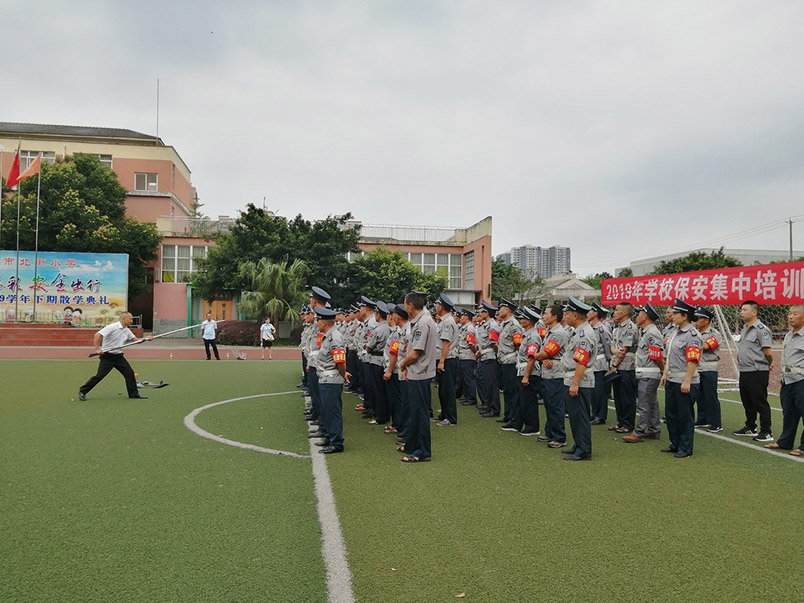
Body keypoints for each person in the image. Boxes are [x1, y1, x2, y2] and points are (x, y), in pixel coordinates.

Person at [397, 291, 437, 463]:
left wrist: (402, 364)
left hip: (420, 373)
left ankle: (422, 451)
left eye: (405, 304)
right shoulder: (418, 321)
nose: (405, 307)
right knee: (413, 412)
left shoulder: (423, 323)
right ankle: (412, 444)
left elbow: (415, 354)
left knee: (420, 414)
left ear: (410, 306)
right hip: (416, 373)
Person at [660, 298, 702, 458]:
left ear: (684, 316)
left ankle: (685, 447)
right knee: (671, 414)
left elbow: (693, 360)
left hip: (685, 382)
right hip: (672, 380)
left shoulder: (692, 335)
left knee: (685, 416)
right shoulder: (674, 332)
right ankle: (675, 443)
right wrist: (665, 373)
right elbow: (670, 357)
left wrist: (687, 380)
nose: (672, 315)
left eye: (675, 313)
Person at [78, 312, 152, 400]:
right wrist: (98, 349)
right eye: (130, 319)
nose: (131, 321)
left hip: (119, 356)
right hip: (108, 356)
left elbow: (135, 340)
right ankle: (83, 391)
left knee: (129, 374)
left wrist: (146, 339)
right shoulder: (112, 327)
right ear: (124, 319)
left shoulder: (126, 330)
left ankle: (134, 394)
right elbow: (97, 335)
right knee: (100, 376)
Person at [560, 297, 597, 461]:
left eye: (567, 314)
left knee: (580, 416)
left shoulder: (584, 334)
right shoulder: (578, 331)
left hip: (580, 381)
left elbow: (582, 361)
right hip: (573, 378)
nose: (564, 317)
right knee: (575, 415)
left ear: (574, 316)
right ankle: (578, 444)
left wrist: (575, 383)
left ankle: (584, 450)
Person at [765, 305, 804, 456]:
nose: (790, 316)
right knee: (789, 412)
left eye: (795, 314)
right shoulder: (788, 335)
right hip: (787, 381)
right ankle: (785, 441)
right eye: (789, 313)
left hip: (801, 380)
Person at [733, 300, 774, 442]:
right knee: (747, 400)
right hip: (745, 370)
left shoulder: (761, 329)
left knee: (759, 401)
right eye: (741, 310)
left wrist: (769, 364)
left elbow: (768, 352)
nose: (741, 312)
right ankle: (750, 426)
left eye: (744, 310)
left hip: (757, 371)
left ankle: (766, 431)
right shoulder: (745, 328)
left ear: (754, 312)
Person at [623, 303, 664, 443]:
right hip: (646, 372)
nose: (637, 316)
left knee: (644, 403)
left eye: (639, 314)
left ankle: (639, 432)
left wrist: (663, 369)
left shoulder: (651, 332)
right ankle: (653, 429)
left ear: (645, 316)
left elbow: (656, 354)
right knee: (651, 402)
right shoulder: (646, 331)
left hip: (649, 373)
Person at [311, 306, 350, 454]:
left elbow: (340, 361)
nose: (317, 324)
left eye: (318, 321)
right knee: (326, 410)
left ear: (323, 322)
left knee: (332, 411)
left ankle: (336, 442)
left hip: (331, 380)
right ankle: (329, 436)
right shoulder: (328, 336)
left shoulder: (335, 337)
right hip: (325, 378)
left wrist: (344, 374)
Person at [532, 305, 569, 448]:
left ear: (554, 317)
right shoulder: (549, 331)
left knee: (555, 405)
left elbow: (544, 352)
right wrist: (541, 357)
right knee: (549, 404)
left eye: (546, 313)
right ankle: (550, 432)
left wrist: (534, 356)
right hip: (547, 372)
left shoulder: (558, 333)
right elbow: (544, 353)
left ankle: (559, 437)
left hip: (555, 373)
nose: (543, 315)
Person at [502, 306, 542, 436]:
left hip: (528, 371)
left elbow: (531, 357)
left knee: (528, 401)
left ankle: (532, 427)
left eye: (523, 318)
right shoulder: (527, 334)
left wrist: (526, 376)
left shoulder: (533, 336)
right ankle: (517, 423)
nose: (520, 320)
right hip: (522, 369)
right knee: (520, 399)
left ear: (529, 321)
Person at [608, 302, 639, 433]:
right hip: (617, 365)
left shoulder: (630, 328)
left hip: (627, 366)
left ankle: (627, 424)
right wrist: (615, 352)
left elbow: (624, 350)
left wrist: (615, 364)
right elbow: (613, 346)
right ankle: (620, 422)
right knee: (618, 396)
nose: (614, 312)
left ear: (624, 313)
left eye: (616, 310)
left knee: (627, 397)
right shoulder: (617, 328)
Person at [493, 297, 524, 425]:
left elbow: (519, 345)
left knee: (512, 391)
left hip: (511, 362)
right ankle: (508, 415)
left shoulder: (514, 325)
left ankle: (513, 417)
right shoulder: (504, 324)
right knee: (507, 390)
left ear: (507, 310)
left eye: (501, 309)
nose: (499, 311)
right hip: (503, 361)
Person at [693, 306, 722, 432]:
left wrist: (690, 344)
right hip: (698, 368)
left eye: (699, 318)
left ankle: (716, 422)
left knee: (710, 396)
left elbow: (706, 346)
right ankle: (703, 419)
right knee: (700, 396)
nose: (696, 321)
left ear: (706, 320)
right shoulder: (695, 333)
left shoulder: (714, 334)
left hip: (709, 369)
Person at [434, 293, 460, 426]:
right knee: (442, 388)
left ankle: (450, 418)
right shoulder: (443, 321)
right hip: (441, 358)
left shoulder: (448, 322)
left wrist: (442, 361)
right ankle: (444, 414)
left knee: (448, 389)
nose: (436, 307)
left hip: (447, 359)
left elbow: (446, 343)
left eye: (438, 304)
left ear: (442, 307)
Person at [366, 301, 391, 425]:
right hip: (387, 361)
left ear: (378, 315)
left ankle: (381, 416)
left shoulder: (377, 330)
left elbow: (369, 347)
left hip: (376, 360)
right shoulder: (392, 328)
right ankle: (387, 414)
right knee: (386, 390)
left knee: (378, 390)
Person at [588, 303, 613, 425]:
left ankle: (601, 415)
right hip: (592, 363)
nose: (588, 314)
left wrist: (610, 362)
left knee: (600, 391)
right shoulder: (591, 328)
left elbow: (608, 346)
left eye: (590, 311)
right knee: (592, 391)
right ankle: (594, 413)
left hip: (601, 363)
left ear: (596, 314)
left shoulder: (603, 329)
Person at [457, 308, 478, 407]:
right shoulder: (464, 327)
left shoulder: (469, 328)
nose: (460, 318)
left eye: (461, 316)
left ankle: (471, 398)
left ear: (466, 317)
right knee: (465, 379)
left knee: (469, 379)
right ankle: (467, 396)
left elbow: (471, 344)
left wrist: (475, 354)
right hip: (463, 356)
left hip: (468, 356)